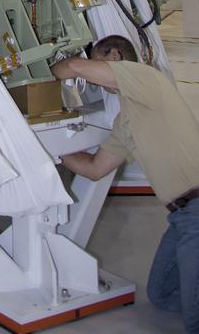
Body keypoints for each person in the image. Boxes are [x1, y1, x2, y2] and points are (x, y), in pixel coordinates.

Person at [52, 34, 199, 333]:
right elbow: (94, 168)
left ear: (116, 57)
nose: (94, 80)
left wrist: (46, 73)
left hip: (197, 213)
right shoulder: (126, 119)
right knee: (160, 296)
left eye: (98, 62)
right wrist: (51, 150)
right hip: (182, 219)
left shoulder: (145, 77)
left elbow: (75, 68)